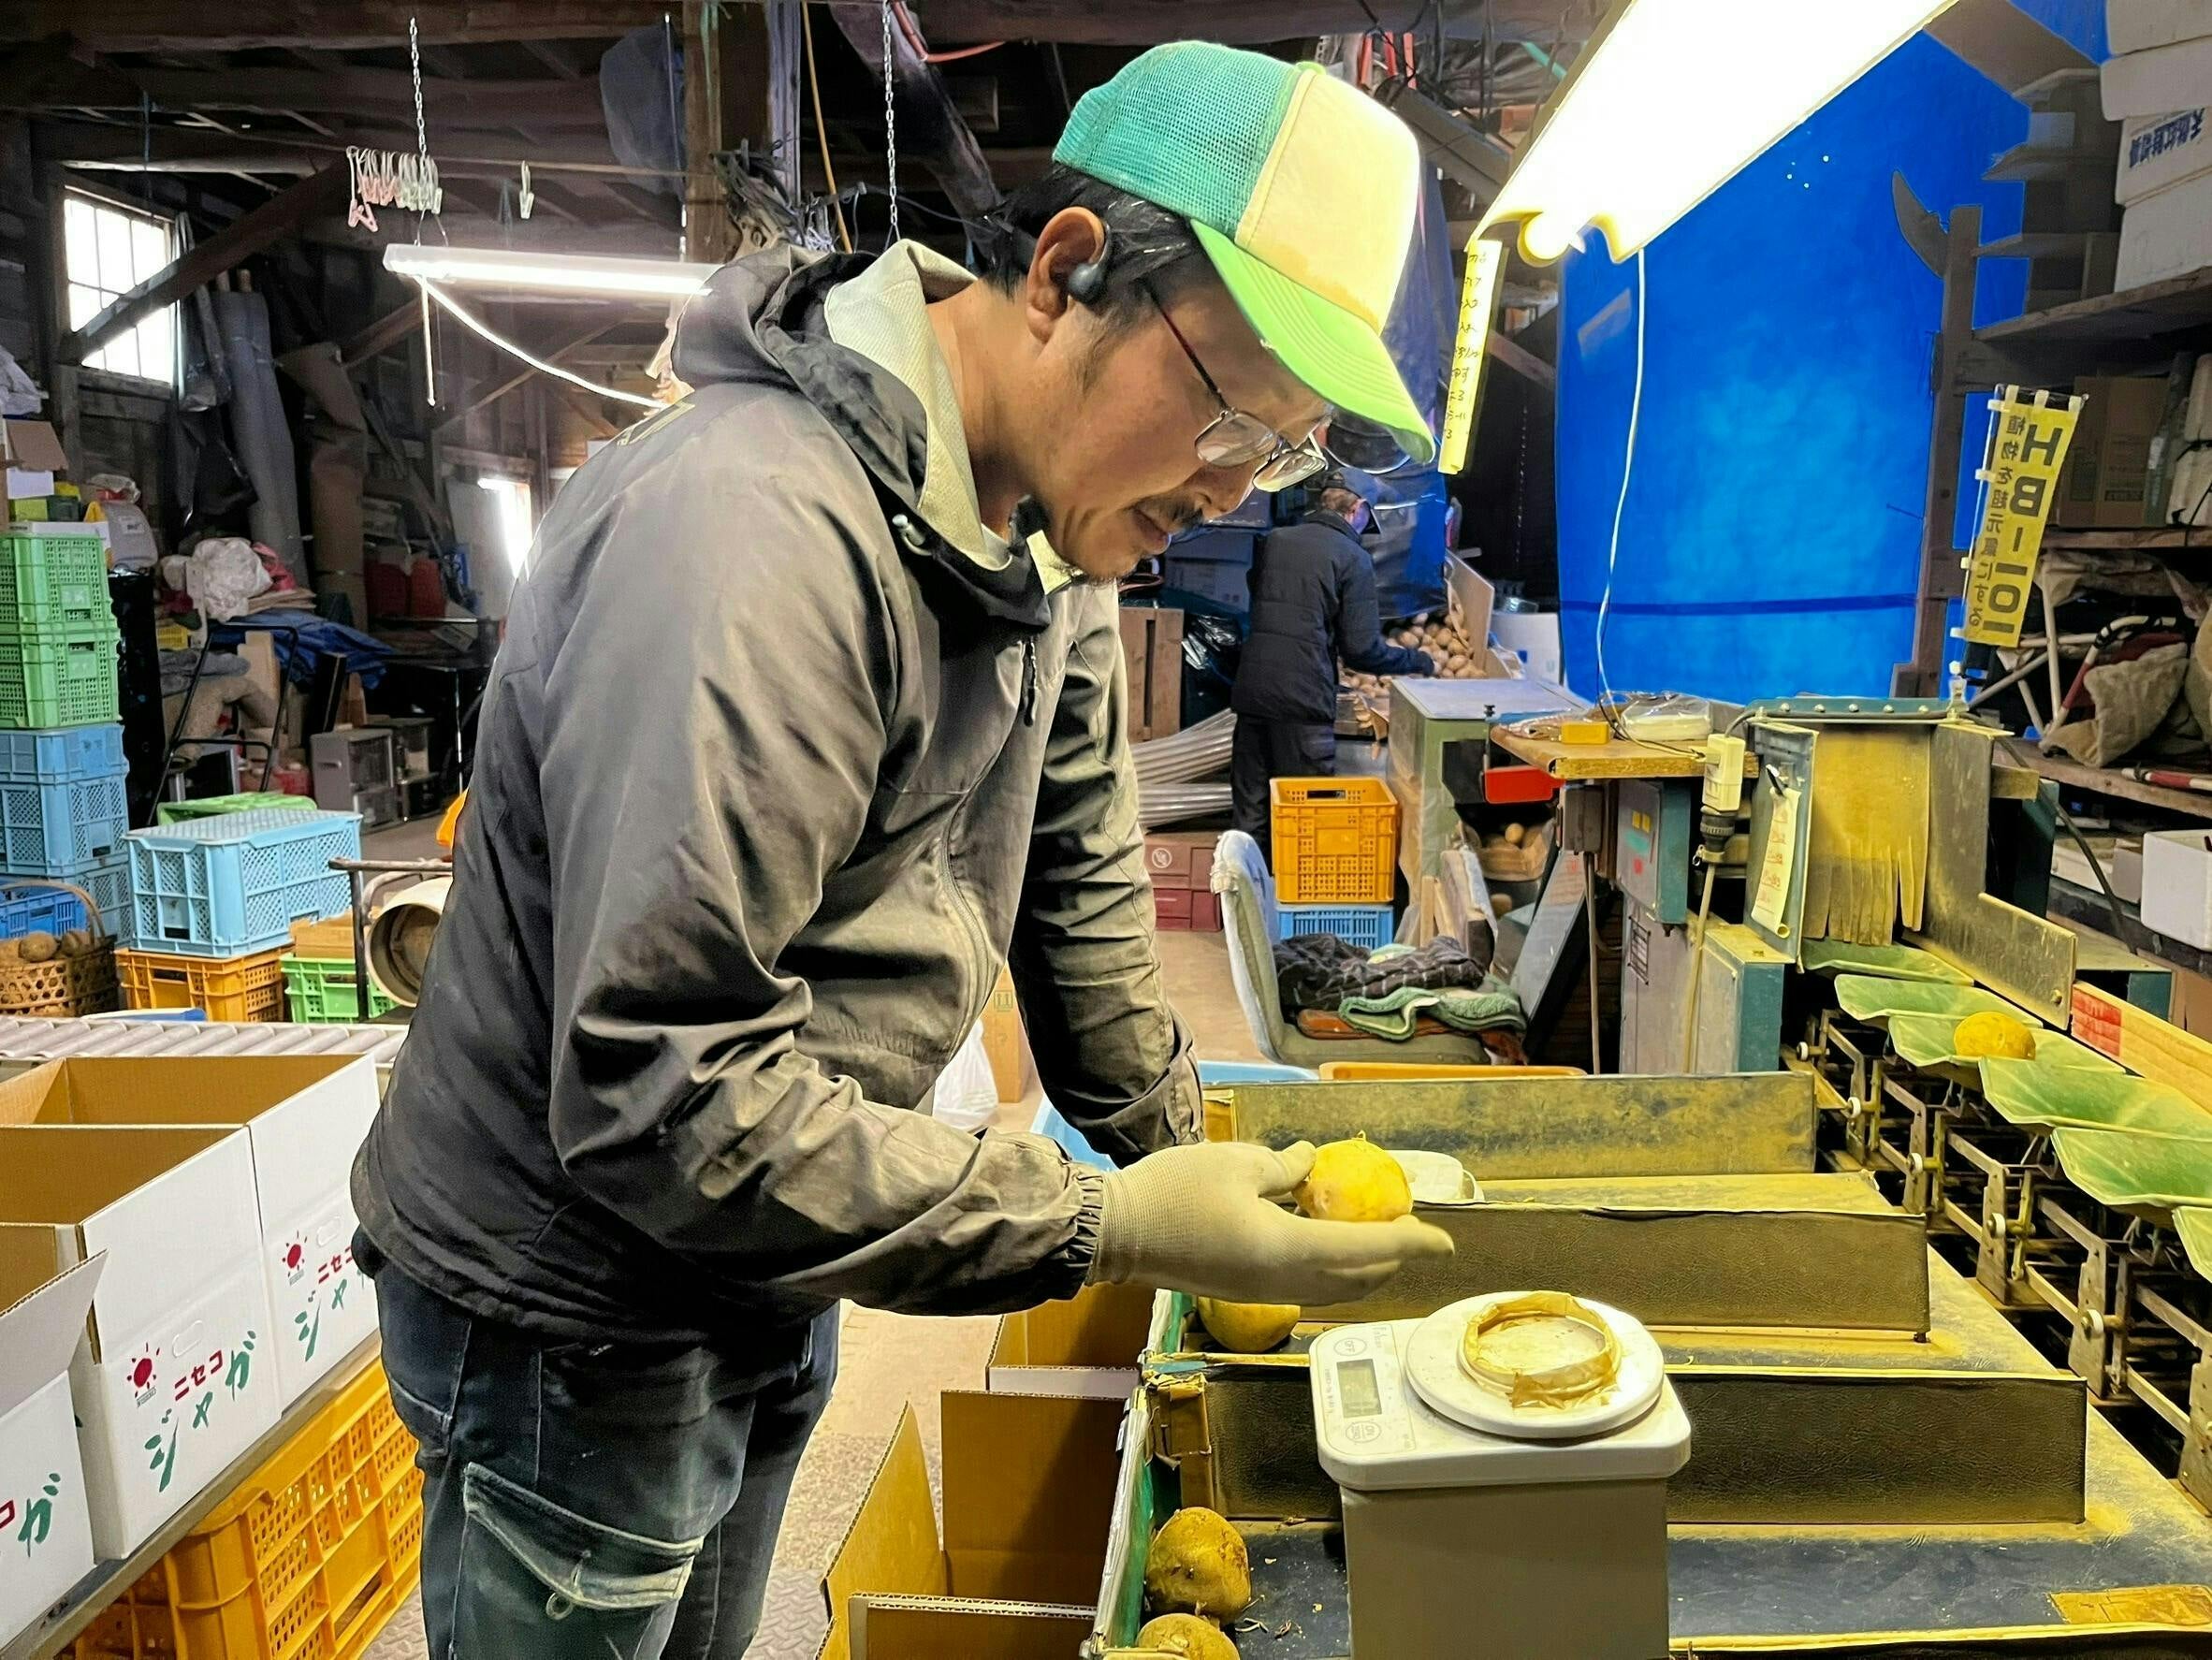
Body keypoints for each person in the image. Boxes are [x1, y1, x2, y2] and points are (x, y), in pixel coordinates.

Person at [351, 40, 1453, 1660]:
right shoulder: (756, 536)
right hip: (575, 1298)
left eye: (1276, 455)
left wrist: (1211, 1174)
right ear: (1065, 274)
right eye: (1230, 414)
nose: (1227, 491)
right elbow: (663, 1091)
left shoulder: (1049, 545)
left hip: (780, 1227)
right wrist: (1109, 1224)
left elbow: (1080, 891)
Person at [1231, 469, 1433, 849]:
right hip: (1304, 702)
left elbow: (1262, 596)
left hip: (1253, 693)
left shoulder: (1275, 540)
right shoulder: (1353, 557)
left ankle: (1243, 884)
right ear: (1358, 509)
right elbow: (1362, 650)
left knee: (1250, 816)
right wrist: (1417, 661)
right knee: (1308, 820)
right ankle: (1299, 888)